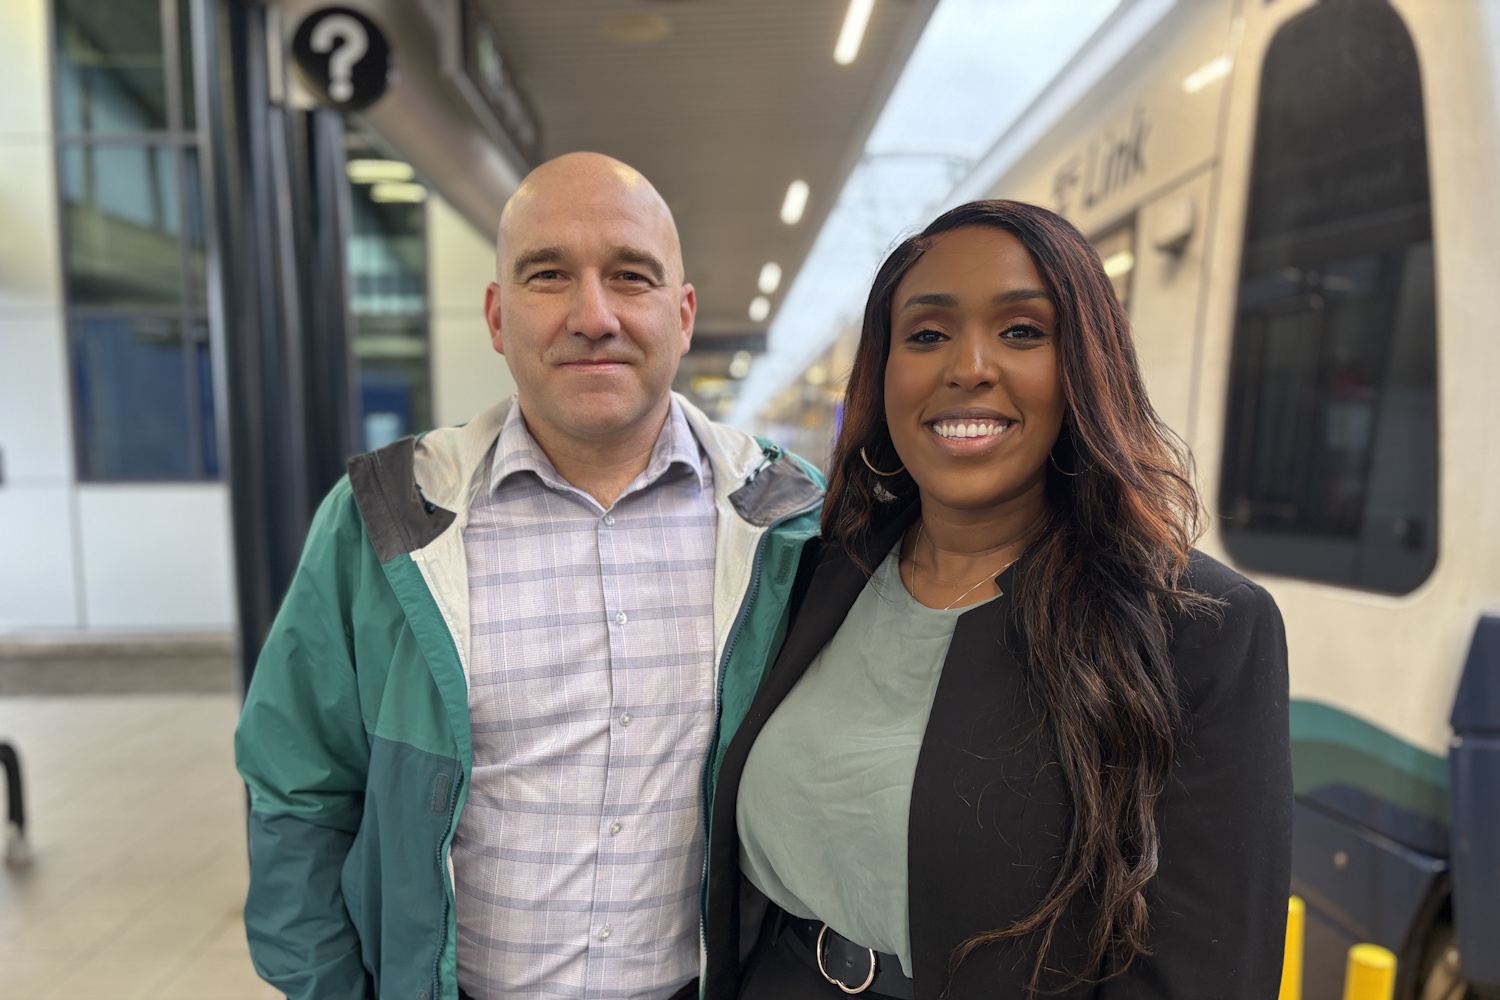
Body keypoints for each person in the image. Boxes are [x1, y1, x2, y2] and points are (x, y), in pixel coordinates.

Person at [234, 152, 824, 1000]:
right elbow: (297, 794)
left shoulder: (788, 526)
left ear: (683, 314)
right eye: (549, 275)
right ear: (497, 315)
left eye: (631, 276)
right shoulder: (385, 521)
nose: (593, 315)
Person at [700, 200, 1292, 999]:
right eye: (927, 334)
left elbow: (1201, 971)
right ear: (884, 375)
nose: (969, 365)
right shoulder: (820, 571)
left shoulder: (1196, 625)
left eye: (1021, 331)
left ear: (1086, 364)